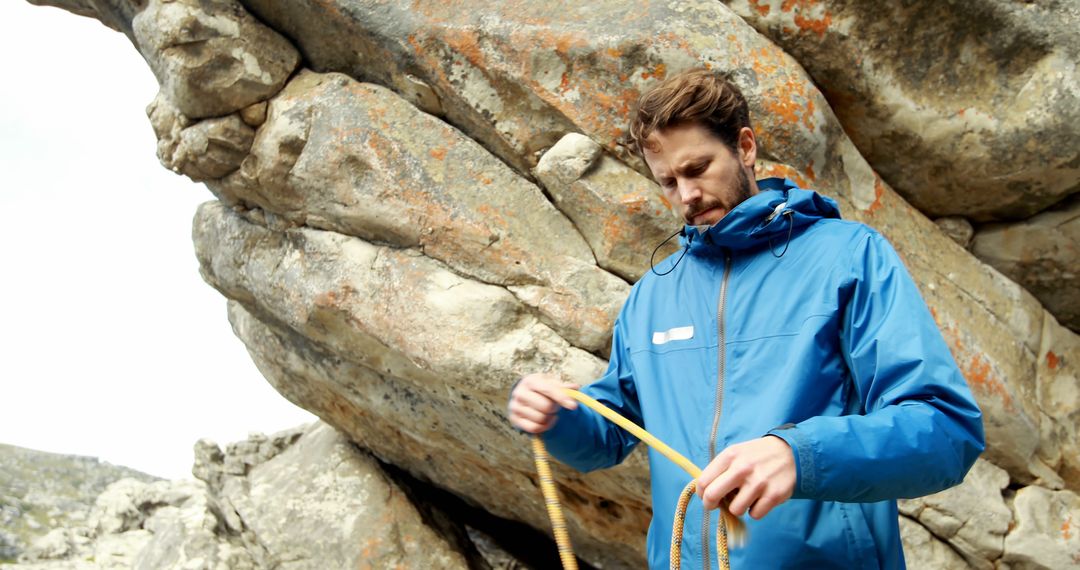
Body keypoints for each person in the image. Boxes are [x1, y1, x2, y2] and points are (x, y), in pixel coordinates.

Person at [507, 68, 984, 569]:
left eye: (697, 169)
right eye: (668, 182)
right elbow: (608, 434)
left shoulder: (849, 257)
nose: (686, 195)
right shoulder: (653, 295)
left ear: (746, 147)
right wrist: (559, 418)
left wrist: (799, 456)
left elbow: (945, 429)